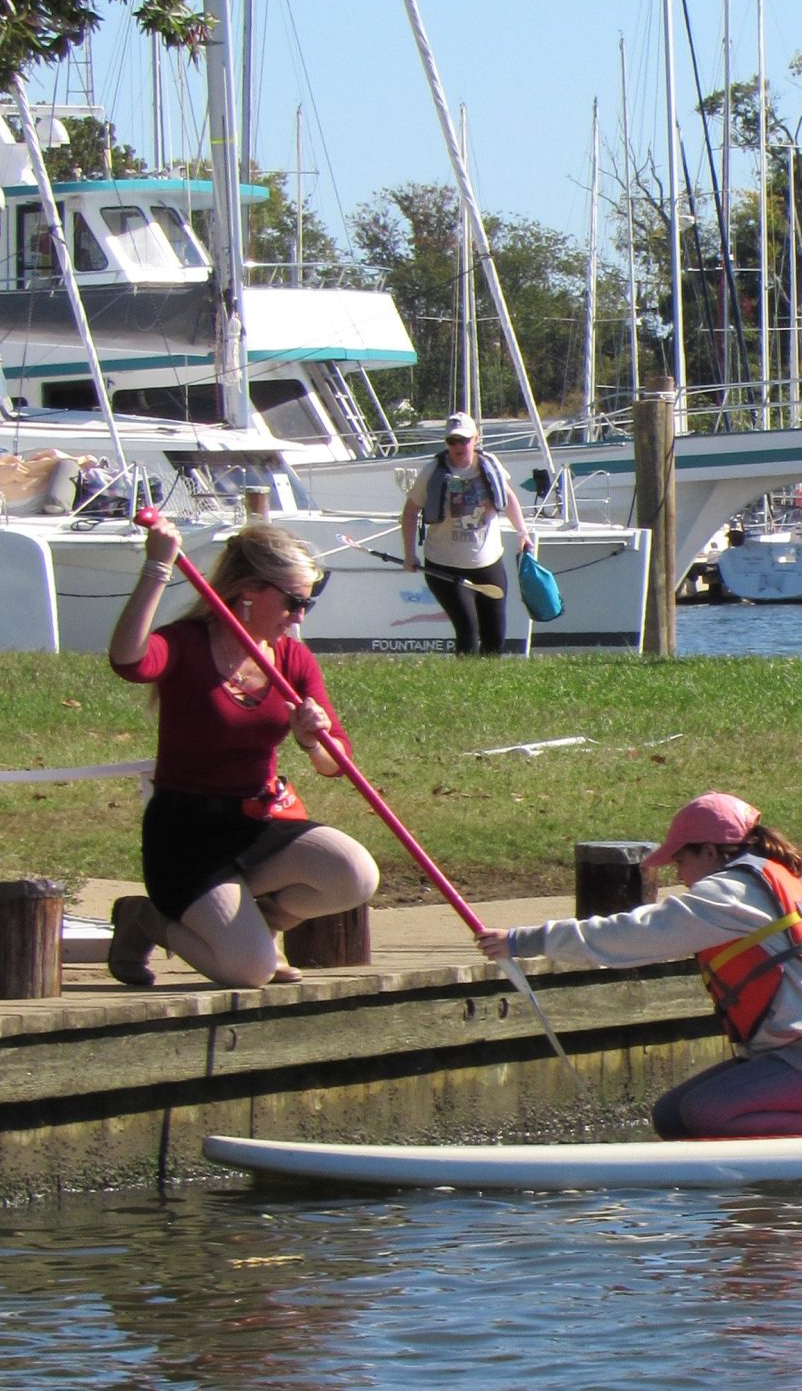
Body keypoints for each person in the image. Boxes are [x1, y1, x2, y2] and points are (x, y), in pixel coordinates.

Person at [476, 793, 802, 1139]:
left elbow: (637, 934)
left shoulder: (732, 893)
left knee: (705, 1115)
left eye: (680, 859)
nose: (678, 872)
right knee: (672, 1116)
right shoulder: (750, 884)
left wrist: (522, 940)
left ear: (710, 852)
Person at [106, 521, 381, 989]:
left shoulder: (293, 658)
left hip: (259, 825)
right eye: (294, 601)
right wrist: (157, 566)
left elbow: (336, 763)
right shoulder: (187, 643)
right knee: (249, 971)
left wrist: (314, 739)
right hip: (187, 837)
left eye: (307, 602)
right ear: (249, 591)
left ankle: (260, 923)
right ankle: (148, 919)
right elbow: (128, 661)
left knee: (354, 875)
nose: (299, 616)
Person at [397, 411, 533, 656]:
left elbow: (509, 496)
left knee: (494, 635)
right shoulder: (433, 471)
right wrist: (409, 554)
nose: (458, 446)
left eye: (464, 440)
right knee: (468, 631)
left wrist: (522, 532)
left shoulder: (489, 464)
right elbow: (409, 513)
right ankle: (464, 685)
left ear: (476, 439)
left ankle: (489, 686)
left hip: (488, 562)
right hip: (445, 565)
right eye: (452, 441)